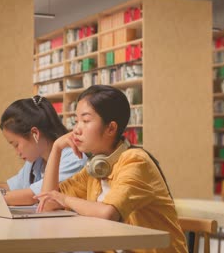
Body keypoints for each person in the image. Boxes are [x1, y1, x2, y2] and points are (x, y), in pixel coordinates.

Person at [36, 85, 188, 253]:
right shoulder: (95, 169)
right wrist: (57, 148)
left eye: (85, 121)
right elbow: (47, 203)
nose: (76, 129)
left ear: (110, 128)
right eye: (76, 121)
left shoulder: (135, 161)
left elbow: (108, 213)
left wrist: (64, 199)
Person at [0, 96, 87, 205]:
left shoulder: (74, 157)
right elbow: (11, 187)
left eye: (16, 145)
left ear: (35, 134)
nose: (17, 152)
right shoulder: (36, 160)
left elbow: (35, 196)